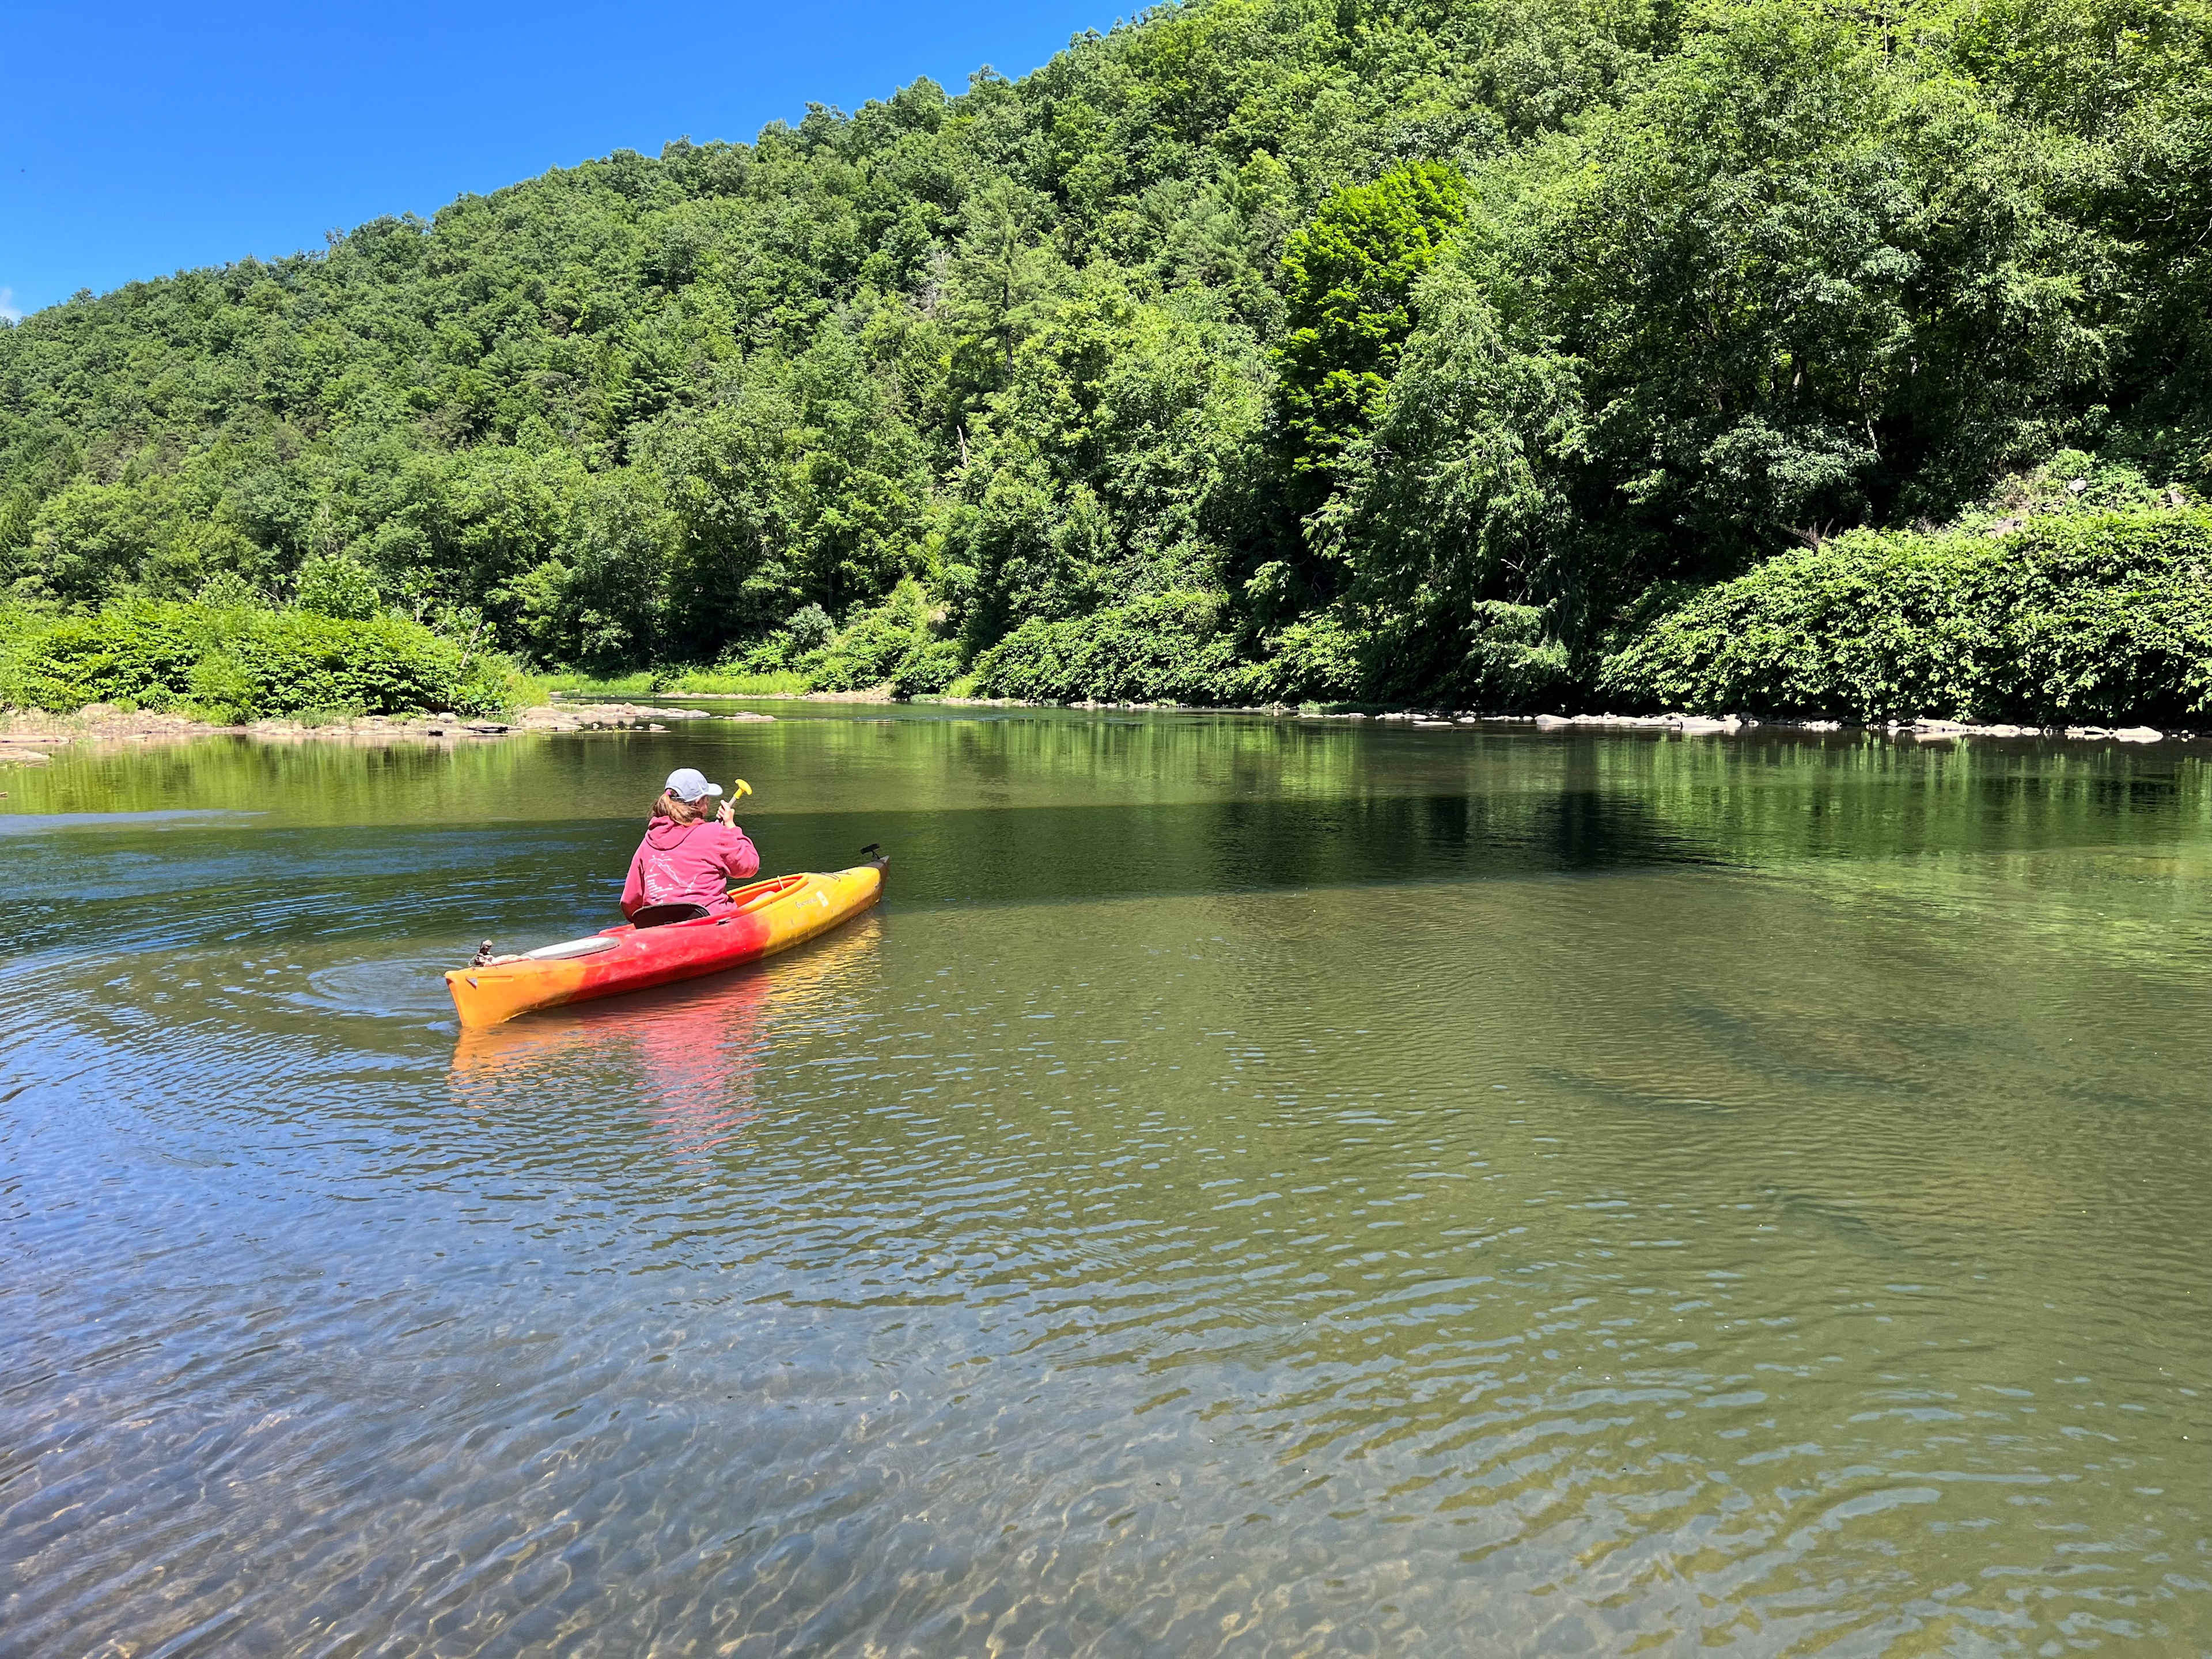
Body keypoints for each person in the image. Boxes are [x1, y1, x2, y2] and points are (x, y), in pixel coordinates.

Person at [620, 767, 761, 924]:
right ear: (699, 802)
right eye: (707, 798)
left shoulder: (647, 843)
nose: (709, 802)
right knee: (768, 896)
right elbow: (749, 866)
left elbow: (630, 903)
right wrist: (731, 826)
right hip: (710, 924)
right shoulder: (715, 833)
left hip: (659, 926)